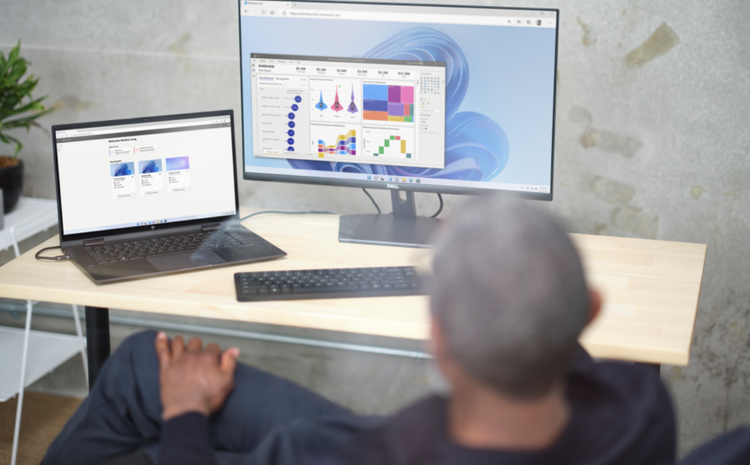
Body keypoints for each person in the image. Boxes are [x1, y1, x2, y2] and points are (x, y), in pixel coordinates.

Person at [43, 197, 676, 465]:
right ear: (590, 309)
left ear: (440, 342)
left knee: (140, 371)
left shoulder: (355, 453)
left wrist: (186, 412)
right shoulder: (642, 409)